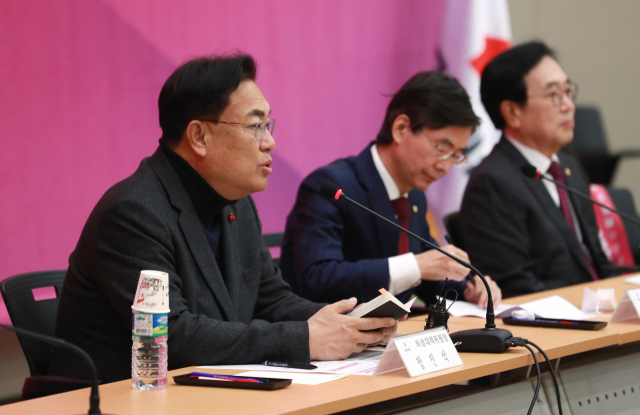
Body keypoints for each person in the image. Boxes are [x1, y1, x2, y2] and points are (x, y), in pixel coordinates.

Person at [48, 53, 399, 384]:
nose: (270, 142)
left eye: (268, 125)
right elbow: (173, 336)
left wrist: (351, 324)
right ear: (199, 136)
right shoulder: (133, 213)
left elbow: (272, 302)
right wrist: (305, 338)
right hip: (120, 399)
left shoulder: (236, 204)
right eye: (256, 126)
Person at [280, 71, 502, 308]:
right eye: (441, 149)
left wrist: (469, 290)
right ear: (401, 128)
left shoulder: (414, 195)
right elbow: (316, 278)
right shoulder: (332, 187)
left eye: (456, 156)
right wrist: (417, 265)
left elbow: (426, 279)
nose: (444, 166)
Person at [459, 42, 619, 298]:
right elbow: (515, 287)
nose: (568, 105)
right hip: (556, 316)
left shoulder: (569, 167)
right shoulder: (491, 183)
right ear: (512, 112)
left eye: (568, 91)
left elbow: (597, 262)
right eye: (554, 95)